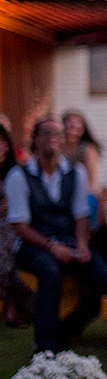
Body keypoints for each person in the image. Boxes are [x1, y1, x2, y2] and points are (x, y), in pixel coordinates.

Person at [4, 116, 107, 353]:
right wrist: (52, 247)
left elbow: (81, 215)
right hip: (32, 244)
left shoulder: (76, 172)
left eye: (58, 134)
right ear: (35, 139)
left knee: (106, 279)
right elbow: (20, 226)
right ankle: (45, 345)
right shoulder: (18, 175)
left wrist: (82, 245)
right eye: (46, 133)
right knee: (50, 271)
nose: (53, 138)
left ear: (64, 140)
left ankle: (65, 330)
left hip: (70, 239)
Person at [1, 122, 33, 326]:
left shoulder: (17, 171)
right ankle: (12, 304)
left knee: (11, 241)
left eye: (3, 142)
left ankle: (12, 303)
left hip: (14, 223)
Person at [61, 111, 102, 197]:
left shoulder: (87, 150)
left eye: (75, 128)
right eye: (68, 128)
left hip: (82, 193)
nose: (71, 132)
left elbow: (91, 179)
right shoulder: (57, 149)